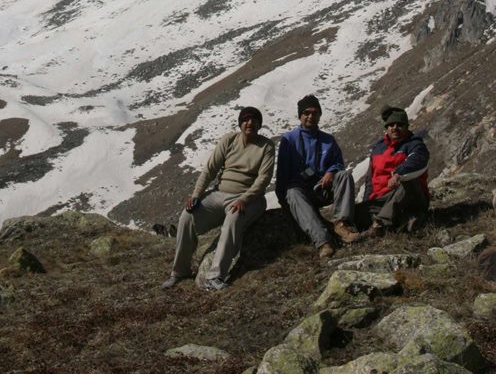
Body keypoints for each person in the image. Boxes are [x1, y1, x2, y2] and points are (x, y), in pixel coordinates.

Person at [161, 106, 275, 291]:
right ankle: (179, 272)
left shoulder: (266, 146)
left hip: (249, 199)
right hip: (219, 194)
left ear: (260, 124)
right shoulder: (229, 140)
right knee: (187, 217)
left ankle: (215, 276)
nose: (250, 123)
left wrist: (244, 199)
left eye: (255, 120)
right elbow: (210, 169)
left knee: (233, 218)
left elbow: (263, 179)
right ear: (240, 123)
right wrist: (196, 195)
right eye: (246, 119)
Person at [276, 94, 359, 259]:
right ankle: (323, 241)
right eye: (307, 112)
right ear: (300, 115)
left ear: (320, 115)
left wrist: (331, 172)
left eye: (315, 113)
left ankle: (341, 224)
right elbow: (282, 173)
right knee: (292, 192)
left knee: (343, 176)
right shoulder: (289, 140)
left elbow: (338, 162)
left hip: (323, 188)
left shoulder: (328, 140)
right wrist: (282, 200)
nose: (311, 116)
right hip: (301, 192)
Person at [360, 106, 429, 236]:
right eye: (391, 125)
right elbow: (370, 179)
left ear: (407, 126)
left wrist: (398, 173)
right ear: (387, 128)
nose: (395, 128)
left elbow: (417, 160)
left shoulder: (415, 144)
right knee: (355, 214)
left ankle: (380, 223)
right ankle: (400, 222)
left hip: (409, 197)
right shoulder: (378, 148)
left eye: (399, 125)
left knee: (408, 180)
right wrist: (366, 203)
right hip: (382, 199)